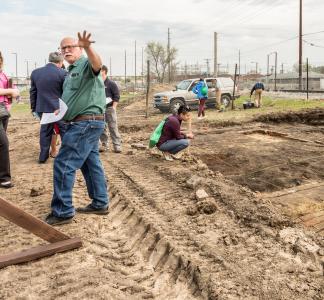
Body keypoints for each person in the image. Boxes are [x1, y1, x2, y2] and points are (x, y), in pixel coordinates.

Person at [45, 30, 109, 225]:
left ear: (79, 48)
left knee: (64, 163)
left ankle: (63, 212)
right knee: (91, 164)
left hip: (86, 123)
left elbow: (97, 64)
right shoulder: (71, 70)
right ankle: (100, 202)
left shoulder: (85, 64)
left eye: (70, 47)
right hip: (82, 122)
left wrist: (88, 46)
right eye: (62, 48)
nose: (66, 50)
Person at [30, 52, 67, 163]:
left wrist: (33, 108)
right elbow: (67, 92)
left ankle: (43, 157)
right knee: (64, 131)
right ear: (60, 62)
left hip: (42, 107)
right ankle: (66, 156)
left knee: (45, 132)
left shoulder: (36, 73)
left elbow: (33, 92)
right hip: (59, 109)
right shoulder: (63, 73)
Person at [0, 51, 19, 188]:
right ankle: (4, 178)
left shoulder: (3, 73)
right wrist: (10, 92)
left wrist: (14, 92)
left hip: (3, 110)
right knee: (3, 143)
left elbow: (9, 88)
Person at [99, 65, 122, 153]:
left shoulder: (111, 83)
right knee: (102, 127)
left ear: (104, 71)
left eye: (99, 70)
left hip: (109, 108)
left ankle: (117, 145)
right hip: (100, 109)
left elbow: (117, 96)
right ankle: (104, 145)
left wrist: (114, 107)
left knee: (113, 127)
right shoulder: (97, 83)